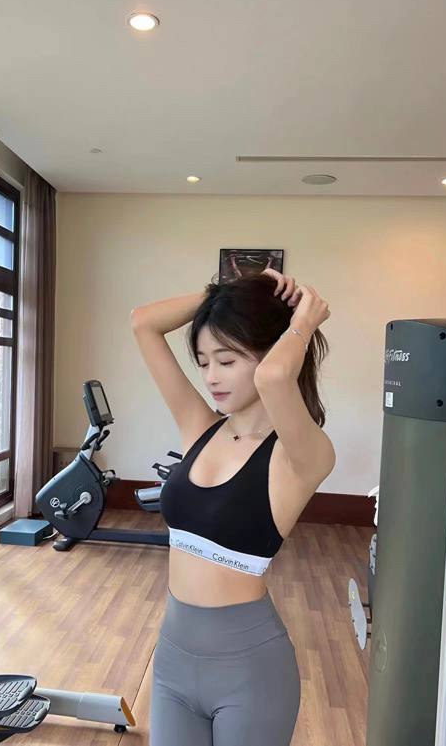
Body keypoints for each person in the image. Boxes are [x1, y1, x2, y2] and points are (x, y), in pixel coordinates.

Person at [130, 268, 334, 746]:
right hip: (173, 662)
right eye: (203, 362)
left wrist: (303, 321)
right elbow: (143, 323)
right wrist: (220, 293)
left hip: (251, 674)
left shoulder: (303, 455)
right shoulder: (200, 427)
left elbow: (275, 376)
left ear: (270, 350)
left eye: (226, 360)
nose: (210, 377)